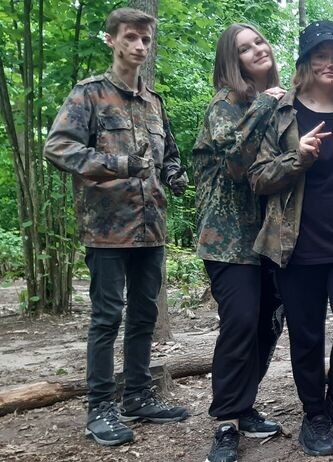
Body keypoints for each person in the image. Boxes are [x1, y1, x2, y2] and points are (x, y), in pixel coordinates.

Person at [43, 7, 189, 447]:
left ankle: (138, 396)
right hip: (106, 229)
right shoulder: (89, 94)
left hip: (151, 226)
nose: (139, 46)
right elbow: (58, 147)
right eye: (130, 37)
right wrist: (117, 164)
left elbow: (169, 154)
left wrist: (174, 174)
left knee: (144, 314)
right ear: (112, 40)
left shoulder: (154, 102)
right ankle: (99, 408)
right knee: (107, 317)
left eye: (145, 39)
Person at [248, 21, 333, 457]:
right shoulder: (278, 111)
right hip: (294, 244)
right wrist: (297, 158)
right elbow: (257, 177)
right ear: (305, 62)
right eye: (321, 56)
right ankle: (314, 414)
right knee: (305, 337)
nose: (330, 63)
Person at [192, 23, 286, 462]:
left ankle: (244, 406)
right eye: (245, 49)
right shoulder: (226, 104)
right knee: (241, 322)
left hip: (269, 237)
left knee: (268, 323)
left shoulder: (277, 102)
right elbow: (235, 163)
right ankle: (226, 422)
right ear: (233, 61)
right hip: (227, 240)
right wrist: (265, 104)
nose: (257, 50)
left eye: (260, 42)